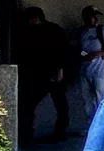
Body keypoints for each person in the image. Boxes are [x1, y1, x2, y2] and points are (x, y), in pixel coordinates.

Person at [16, 7, 70, 143]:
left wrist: (60, 69)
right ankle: (56, 132)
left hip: (46, 73)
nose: (30, 22)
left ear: (37, 18)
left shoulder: (49, 31)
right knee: (58, 105)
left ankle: (31, 133)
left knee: (54, 104)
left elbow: (63, 51)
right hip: (42, 73)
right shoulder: (51, 30)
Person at [76, 5, 104, 130]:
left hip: (99, 71)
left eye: (95, 16)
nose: (93, 19)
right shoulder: (80, 32)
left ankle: (103, 126)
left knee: (101, 99)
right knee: (87, 100)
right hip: (84, 70)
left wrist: (99, 54)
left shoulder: (103, 31)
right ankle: (91, 125)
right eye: (91, 16)